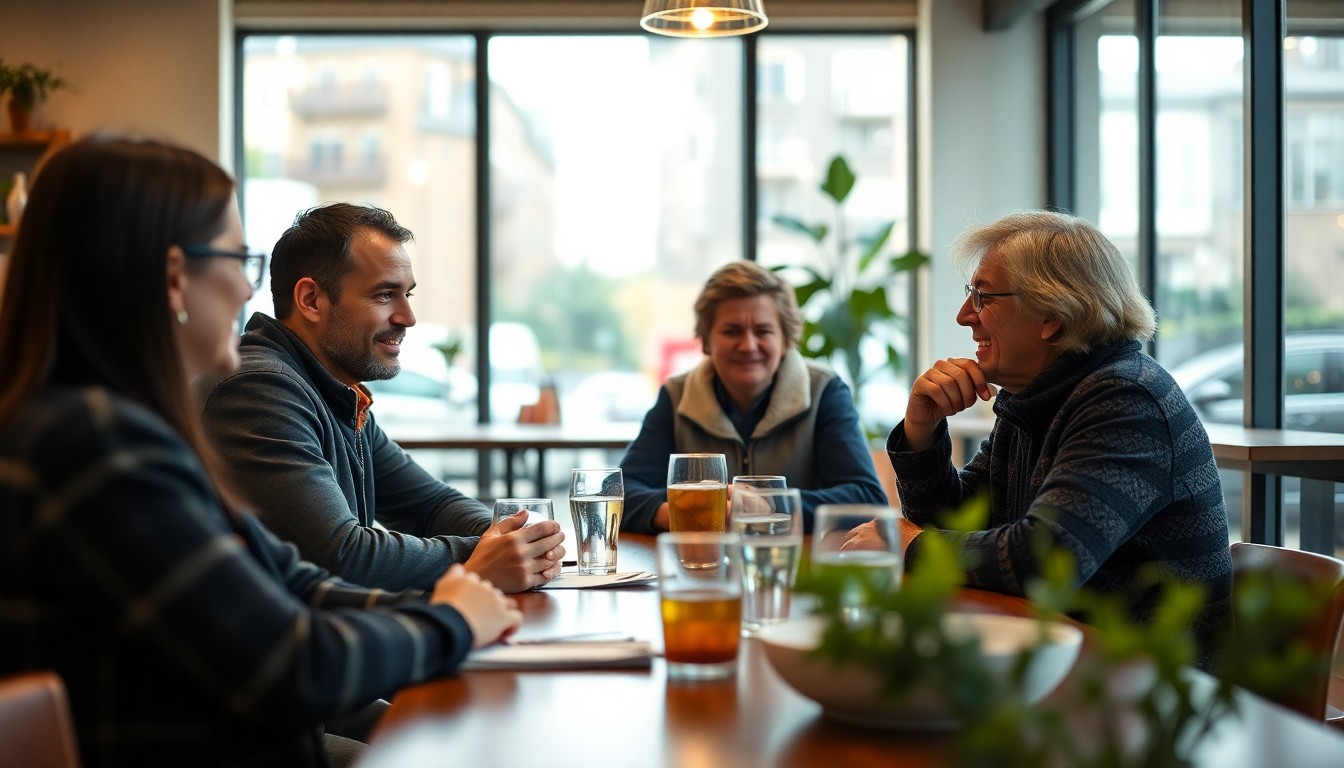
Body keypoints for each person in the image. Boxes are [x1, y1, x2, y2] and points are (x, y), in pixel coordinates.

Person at [0, 136, 522, 767]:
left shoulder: (121, 427)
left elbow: (289, 580)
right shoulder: (95, 447)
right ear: (173, 278)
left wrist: (455, 601)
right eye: (239, 259)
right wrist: (453, 619)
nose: (249, 288)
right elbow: (293, 660)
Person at [881, 210, 1232, 665]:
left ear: (1052, 316)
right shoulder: (1040, 396)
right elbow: (957, 522)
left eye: (983, 297)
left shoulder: (1126, 399)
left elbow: (1044, 562)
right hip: (1073, 668)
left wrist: (909, 546)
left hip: (1156, 696)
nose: (965, 315)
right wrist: (921, 429)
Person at [196, 203, 564, 594]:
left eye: (407, 295)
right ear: (311, 300)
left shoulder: (335, 390)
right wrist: (488, 555)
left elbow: (430, 505)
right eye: (385, 295)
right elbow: (343, 556)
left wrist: (514, 536)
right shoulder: (258, 389)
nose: (408, 317)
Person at [620, 260, 889, 533]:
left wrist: (771, 506)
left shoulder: (823, 391)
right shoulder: (677, 396)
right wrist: (680, 516)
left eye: (763, 331)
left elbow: (867, 499)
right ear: (706, 340)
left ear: (785, 339)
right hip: (699, 568)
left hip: (796, 567)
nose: (748, 345)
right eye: (731, 331)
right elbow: (620, 492)